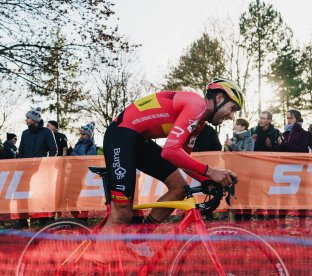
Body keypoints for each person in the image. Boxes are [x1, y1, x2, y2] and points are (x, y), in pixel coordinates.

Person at [97, 77, 242, 258]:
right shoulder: (196, 104)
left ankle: (139, 240)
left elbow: (182, 159)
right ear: (219, 98)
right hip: (121, 135)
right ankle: (95, 265)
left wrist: (207, 181)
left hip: (139, 141)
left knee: (179, 188)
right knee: (122, 214)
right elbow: (170, 152)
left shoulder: (199, 125)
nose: (232, 116)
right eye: (232, 108)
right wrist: (212, 172)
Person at [17, 107, 57, 228]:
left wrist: (46, 164)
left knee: (40, 195)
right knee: (22, 196)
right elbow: (21, 152)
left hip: (41, 171)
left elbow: (54, 150)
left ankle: (43, 222)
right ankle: (23, 223)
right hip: (25, 171)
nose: (26, 120)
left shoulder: (46, 132)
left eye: (28, 118)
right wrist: (18, 166)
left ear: (35, 119)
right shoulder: (25, 133)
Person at [278, 109, 310, 230]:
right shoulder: (284, 133)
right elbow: (282, 151)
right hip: (285, 168)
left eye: (290, 118)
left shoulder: (304, 133)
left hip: (299, 169)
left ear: (297, 118)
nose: (288, 120)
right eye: (287, 118)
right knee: (284, 197)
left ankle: (302, 224)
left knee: (301, 197)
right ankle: (281, 223)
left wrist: (285, 144)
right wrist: (279, 145)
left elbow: (303, 150)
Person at [250, 111, 282, 220]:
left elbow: (281, 151)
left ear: (269, 120)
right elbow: (247, 149)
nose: (260, 120)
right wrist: (251, 143)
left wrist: (270, 147)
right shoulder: (253, 131)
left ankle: (272, 216)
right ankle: (260, 216)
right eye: (260, 118)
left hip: (270, 168)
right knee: (258, 192)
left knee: (270, 192)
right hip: (255, 167)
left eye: (263, 118)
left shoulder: (276, 132)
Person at [225, 118, 254, 222]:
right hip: (233, 172)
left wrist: (232, 145)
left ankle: (246, 220)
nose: (235, 126)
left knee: (245, 196)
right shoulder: (233, 139)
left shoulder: (249, 139)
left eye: (237, 124)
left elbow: (247, 154)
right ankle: (237, 222)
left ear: (243, 127)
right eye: (235, 124)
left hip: (245, 172)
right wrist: (226, 149)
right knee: (234, 197)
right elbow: (226, 157)